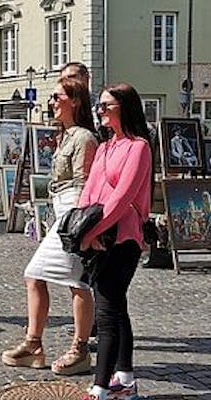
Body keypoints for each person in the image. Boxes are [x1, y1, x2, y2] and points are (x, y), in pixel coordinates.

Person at [2, 77, 98, 375]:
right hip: (62, 213)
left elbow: (85, 185)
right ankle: (35, 344)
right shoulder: (66, 135)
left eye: (58, 97)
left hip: (72, 216)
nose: (52, 102)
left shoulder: (83, 138)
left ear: (76, 101)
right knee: (41, 275)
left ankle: (79, 349)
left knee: (76, 281)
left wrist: (81, 229)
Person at [78, 83, 153, 400]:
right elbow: (89, 191)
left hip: (123, 239)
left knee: (107, 311)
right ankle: (125, 379)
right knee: (117, 308)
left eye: (106, 105)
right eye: (99, 106)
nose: (100, 110)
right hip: (97, 239)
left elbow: (122, 198)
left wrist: (93, 233)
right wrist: (82, 230)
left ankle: (100, 388)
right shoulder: (106, 147)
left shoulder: (139, 148)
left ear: (124, 107)